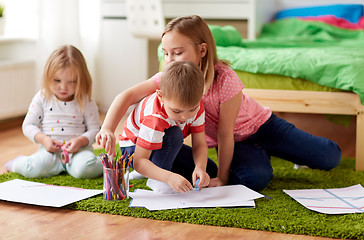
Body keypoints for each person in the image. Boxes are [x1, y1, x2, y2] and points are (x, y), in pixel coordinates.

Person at [97, 15, 341, 192]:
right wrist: (107, 128)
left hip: (263, 127)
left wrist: (223, 178)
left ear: (202, 50)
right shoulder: (169, 79)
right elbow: (126, 96)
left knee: (329, 157)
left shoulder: (224, 78)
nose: (169, 60)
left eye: (177, 53)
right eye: (166, 53)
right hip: (238, 142)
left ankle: (277, 149)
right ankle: (260, 156)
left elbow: (224, 133)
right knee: (254, 179)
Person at [98, 61, 216, 193]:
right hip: (134, 150)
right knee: (175, 135)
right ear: (160, 97)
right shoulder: (154, 118)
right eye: (177, 111)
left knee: (210, 170)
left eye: (192, 110)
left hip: (163, 144)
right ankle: (156, 178)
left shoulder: (196, 106)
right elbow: (139, 161)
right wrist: (168, 177)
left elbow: (199, 143)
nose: (185, 117)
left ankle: (151, 171)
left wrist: (200, 167)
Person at [5, 45, 103, 179]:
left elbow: (96, 129)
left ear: (81, 80)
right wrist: (44, 139)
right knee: (32, 169)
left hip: (79, 153)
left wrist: (80, 141)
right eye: (57, 80)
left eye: (72, 81)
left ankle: (105, 161)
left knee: (85, 169)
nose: (63, 87)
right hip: (49, 153)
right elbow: (28, 126)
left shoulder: (85, 100)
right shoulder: (42, 98)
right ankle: (16, 163)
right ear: (48, 76)